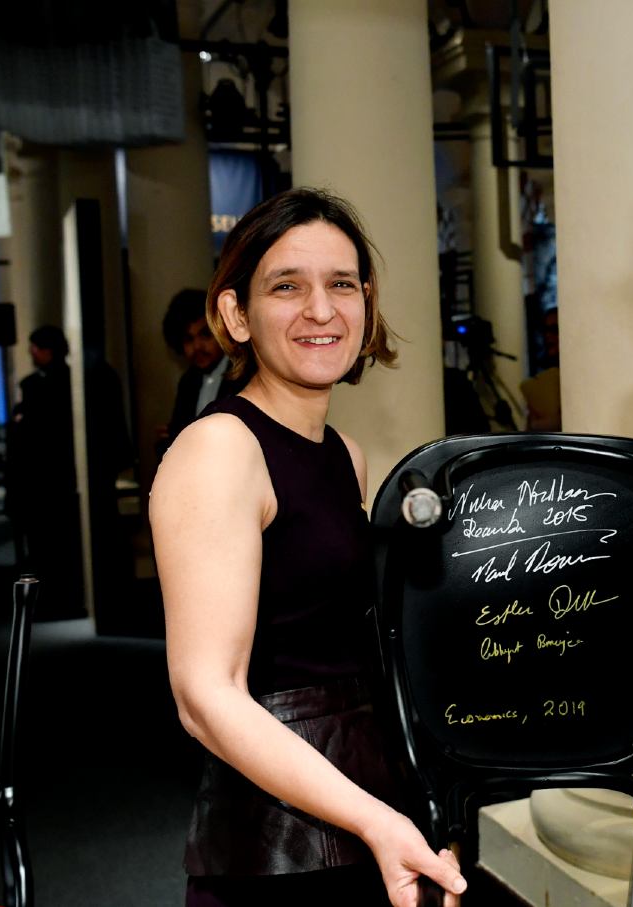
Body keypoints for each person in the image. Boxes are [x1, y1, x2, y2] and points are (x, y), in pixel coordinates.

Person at [149, 188, 467, 907]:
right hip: (275, 851)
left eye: (342, 284)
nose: (321, 310)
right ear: (236, 313)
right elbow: (205, 695)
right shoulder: (220, 448)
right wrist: (375, 818)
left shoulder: (343, 454)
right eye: (286, 286)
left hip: (365, 811)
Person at [6, 325, 83, 613]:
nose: (32, 353)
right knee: (51, 542)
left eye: (36, 348)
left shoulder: (45, 385)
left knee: (49, 542)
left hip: (46, 475)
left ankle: (53, 597)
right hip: (50, 475)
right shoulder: (52, 383)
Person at [158, 288, 245, 456]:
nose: (197, 346)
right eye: (188, 339)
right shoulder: (188, 381)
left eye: (205, 335)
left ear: (222, 331)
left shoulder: (243, 373)